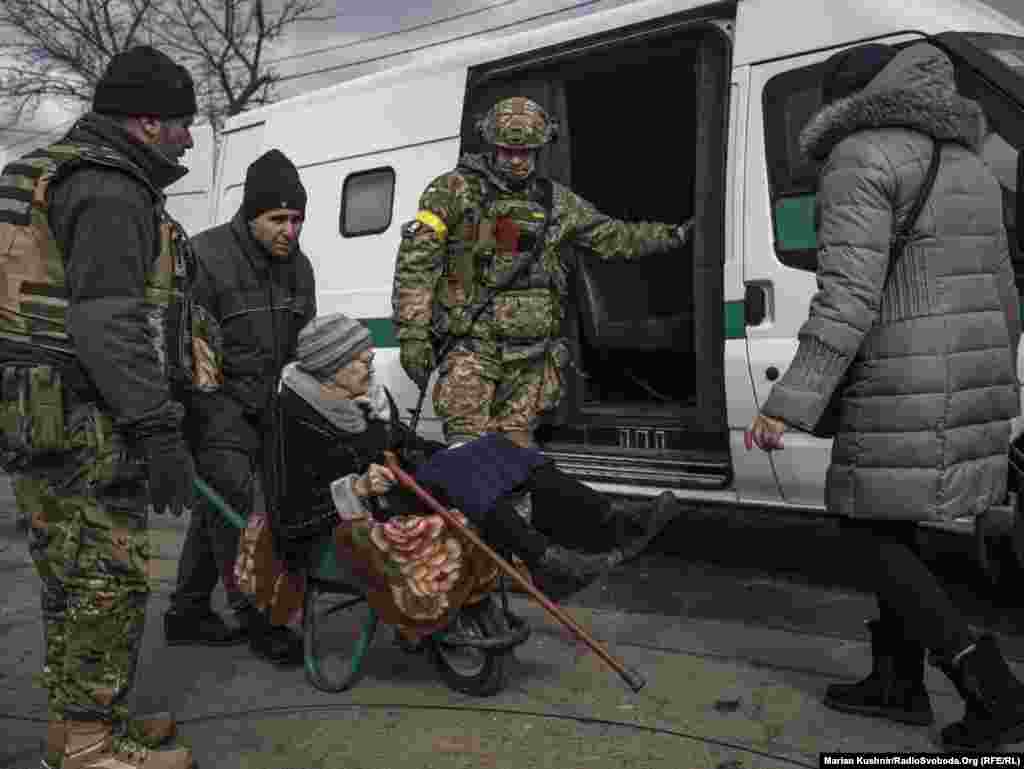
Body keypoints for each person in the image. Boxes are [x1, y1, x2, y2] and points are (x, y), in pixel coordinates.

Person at [746, 42, 1024, 751]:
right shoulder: (972, 162)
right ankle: (896, 681)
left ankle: (991, 688)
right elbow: (1006, 288)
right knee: (896, 525)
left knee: (866, 529)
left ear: (846, 99)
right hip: (969, 368)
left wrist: (788, 401)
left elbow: (847, 300)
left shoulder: (859, 158)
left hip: (902, 373)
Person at [0, 46, 201, 769]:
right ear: (146, 121)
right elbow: (108, 321)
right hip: (88, 415)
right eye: (181, 123)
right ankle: (88, 747)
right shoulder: (111, 190)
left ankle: (82, 723)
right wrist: (157, 427)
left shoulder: (48, 170)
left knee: (72, 573)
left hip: (40, 408)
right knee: (103, 580)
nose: (188, 137)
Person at [274, 313, 681, 598]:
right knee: (469, 476)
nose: (369, 364)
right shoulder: (296, 420)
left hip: (399, 488)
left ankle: (609, 519)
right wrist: (357, 487)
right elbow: (290, 513)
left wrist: (452, 449)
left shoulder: (366, 400)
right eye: (359, 360)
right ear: (329, 367)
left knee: (497, 450)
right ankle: (550, 563)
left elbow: (405, 446)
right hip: (361, 516)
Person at [391, 96, 695, 448]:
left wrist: (674, 237)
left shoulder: (556, 201)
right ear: (491, 144)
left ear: (540, 149)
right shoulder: (454, 190)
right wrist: (413, 333)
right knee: (468, 452)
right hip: (472, 350)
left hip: (532, 357)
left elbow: (613, 236)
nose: (517, 160)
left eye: (527, 152)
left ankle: (516, 505)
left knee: (518, 453)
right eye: (508, 151)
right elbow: (416, 261)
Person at [163, 150, 316, 667]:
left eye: (296, 219)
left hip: (270, 402)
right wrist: (197, 423)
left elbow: (303, 345)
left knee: (230, 508)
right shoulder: (207, 258)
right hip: (215, 400)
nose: (289, 231)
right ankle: (259, 620)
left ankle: (185, 612)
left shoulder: (299, 268)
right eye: (278, 219)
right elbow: (195, 353)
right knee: (238, 511)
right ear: (251, 216)